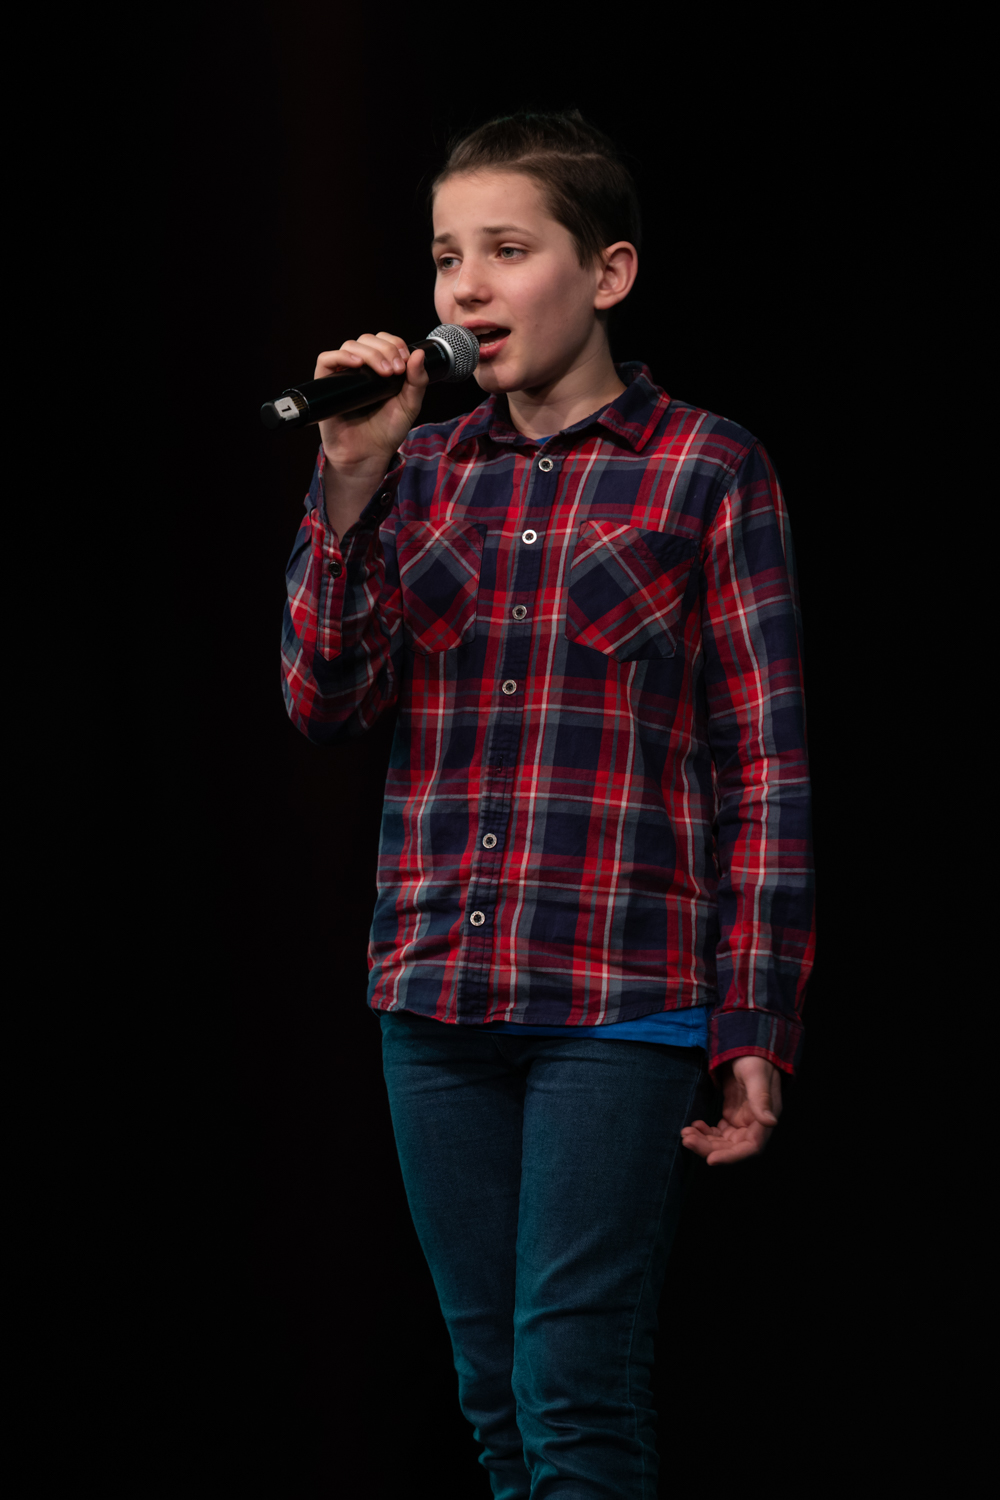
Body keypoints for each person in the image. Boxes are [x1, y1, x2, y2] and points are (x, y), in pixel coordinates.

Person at [281, 109, 814, 1499]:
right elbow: (324, 700)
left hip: (615, 997)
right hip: (434, 994)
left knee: (572, 1395)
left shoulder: (707, 467)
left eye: (507, 251)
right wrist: (351, 476)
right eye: (446, 256)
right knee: (494, 1401)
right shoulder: (419, 469)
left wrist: (754, 1024)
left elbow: (765, 766)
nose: (466, 288)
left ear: (609, 272)